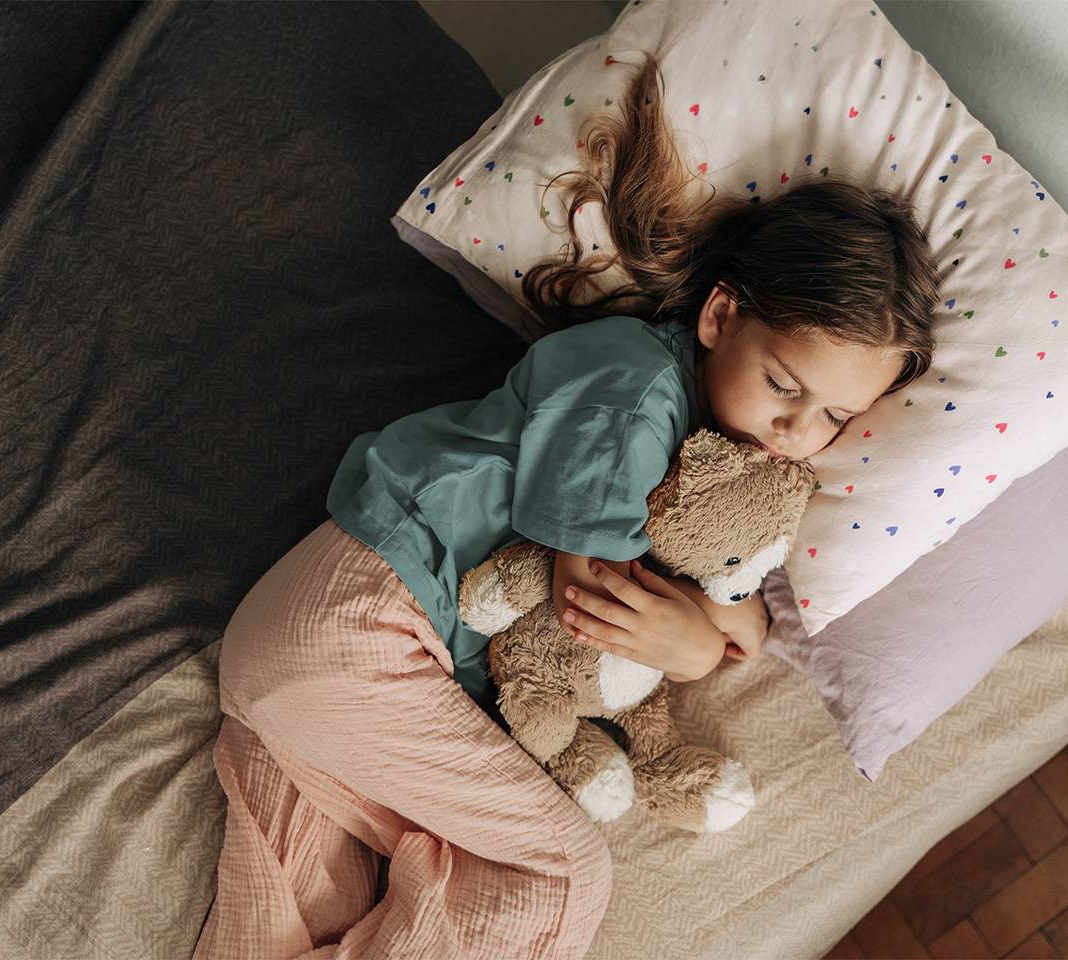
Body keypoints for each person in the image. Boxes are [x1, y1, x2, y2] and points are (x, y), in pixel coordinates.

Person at [194, 51, 940, 960]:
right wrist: (701, 638)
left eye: (834, 417)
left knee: (329, 898)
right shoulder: (631, 388)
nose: (795, 430)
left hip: (326, 662)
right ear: (718, 319)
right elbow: (591, 599)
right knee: (558, 870)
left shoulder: (718, 466)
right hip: (362, 624)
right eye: (786, 385)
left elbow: (712, 598)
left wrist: (714, 620)